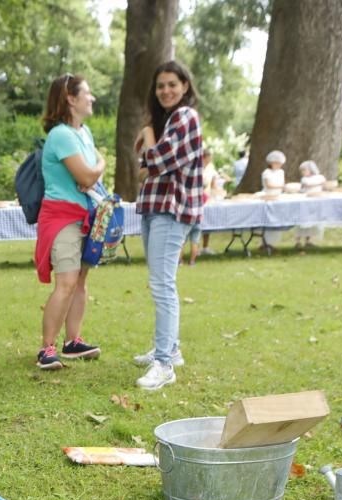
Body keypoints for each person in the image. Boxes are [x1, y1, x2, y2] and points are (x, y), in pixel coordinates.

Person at [133, 60, 204, 390]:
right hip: (155, 207)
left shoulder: (185, 116)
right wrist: (151, 152)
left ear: (185, 86)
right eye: (160, 85)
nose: (165, 91)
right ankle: (170, 351)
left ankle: (164, 363)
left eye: (172, 84)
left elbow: (157, 160)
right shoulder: (170, 121)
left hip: (171, 211)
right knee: (161, 282)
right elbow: (145, 166)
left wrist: (148, 137)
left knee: (162, 285)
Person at [33, 73, 104, 370]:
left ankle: (73, 342)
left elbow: (89, 176)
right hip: (62, 216)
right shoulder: (61, 134)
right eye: (87, 93)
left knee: (80, 281)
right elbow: (87, 175)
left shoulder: (83, 133)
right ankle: (46, 348)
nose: (92, 98)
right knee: (66, 282)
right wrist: (103, 164)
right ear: (71, 99)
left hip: (83, 215)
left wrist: (94, 169)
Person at [294, 160, 326, 250]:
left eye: (304, 170)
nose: (303, 173)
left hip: (316, 203)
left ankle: (309, 240)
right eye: (302, 171)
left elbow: (323, 182)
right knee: (303, 222)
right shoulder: (305, 179)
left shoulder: (319, 177)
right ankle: (298, 240)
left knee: (313, 223)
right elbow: (307, 185)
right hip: (306, 203)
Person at [260, 150, 286, 251]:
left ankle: (272, 242)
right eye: (276, 163)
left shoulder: (281, 172)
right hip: (268, 196)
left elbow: (283, 183)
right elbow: (268, 184)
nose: (278, 165)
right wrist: (280, 186)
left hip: (278, 196)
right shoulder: (266, 173)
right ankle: (265, 242)